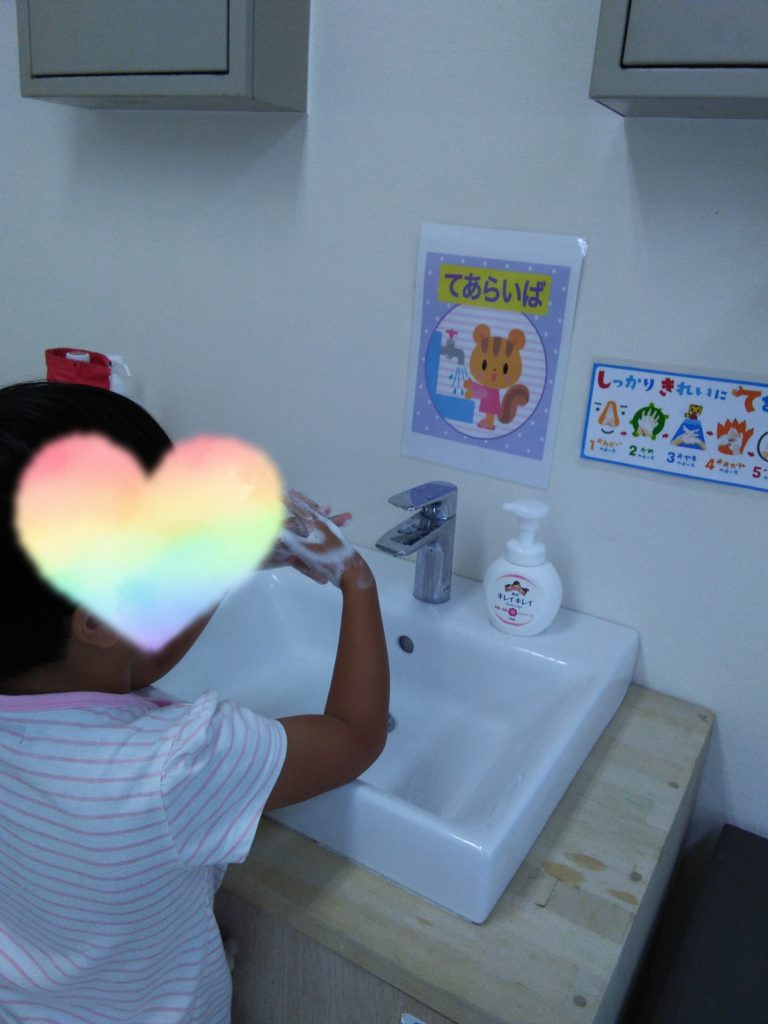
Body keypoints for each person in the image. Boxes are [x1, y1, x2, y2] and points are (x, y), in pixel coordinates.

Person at [0, 380, 389, 1023]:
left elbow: (126, 668)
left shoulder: (43, 673)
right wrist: (356, 577)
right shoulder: (176, 765)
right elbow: (353, 733)